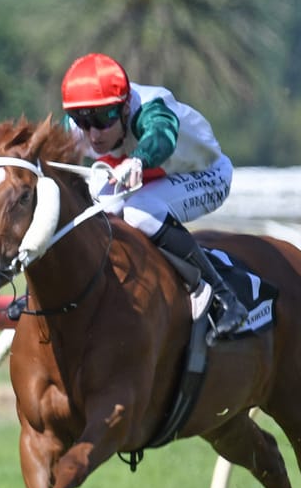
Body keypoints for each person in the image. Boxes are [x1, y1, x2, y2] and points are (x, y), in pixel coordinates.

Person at [61, 52, 248, 338]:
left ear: (124, 109)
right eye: (81, 120)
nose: (93, 134)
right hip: (148, 178)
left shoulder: (151, 107)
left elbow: (162, 134)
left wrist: (138, 160)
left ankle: (223, 298)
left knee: (139, 209)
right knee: (90, 209)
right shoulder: (78, 130)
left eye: (102, 119)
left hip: (205, 175)